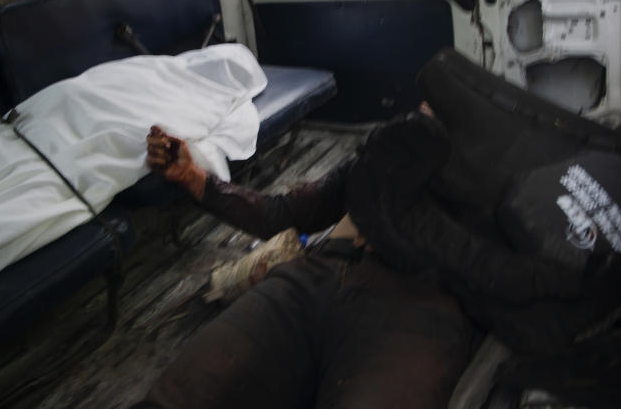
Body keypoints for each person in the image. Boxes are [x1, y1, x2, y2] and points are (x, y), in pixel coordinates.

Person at [137, 110, 474, 409]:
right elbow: (279, 214)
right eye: (426, 103)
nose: (427, 108)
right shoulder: (385, 153)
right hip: (317, 280)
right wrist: (193, 177)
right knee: (180, 395)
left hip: (415, 311)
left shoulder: (496, 182)